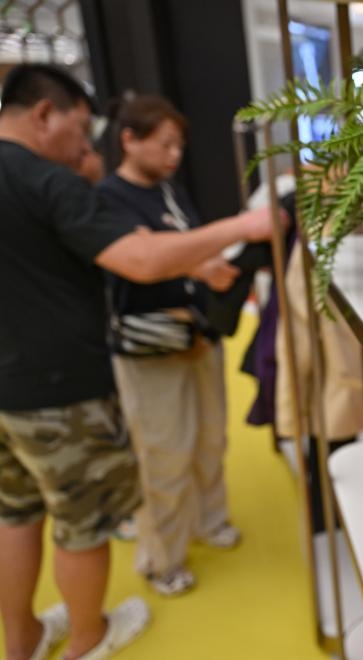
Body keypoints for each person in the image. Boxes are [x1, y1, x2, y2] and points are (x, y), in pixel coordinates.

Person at [0, 64, 275, 660]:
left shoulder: (144, 191)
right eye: (80, 126)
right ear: (45, 114)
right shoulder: (59, 185)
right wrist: (242, 226)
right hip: (70, 382)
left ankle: (23, 638)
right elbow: (142, 262)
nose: (84, 143)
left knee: (17, 515)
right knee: (90, 518)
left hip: (21, 380)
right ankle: (91, 635)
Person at [97, 94, 244, 597]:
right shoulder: (108, 198)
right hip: (149, 344)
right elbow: (142, 264)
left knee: (210, 436)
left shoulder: (171, 192)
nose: (175, 154)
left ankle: (210, 519)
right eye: (165, 144)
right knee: (163, 451)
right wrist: (197, 265)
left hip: (198, 334)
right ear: (129, 140)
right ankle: (163, 558)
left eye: (179, 144)